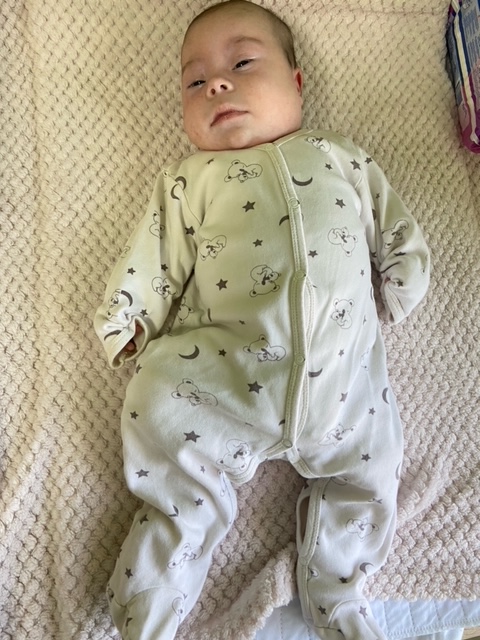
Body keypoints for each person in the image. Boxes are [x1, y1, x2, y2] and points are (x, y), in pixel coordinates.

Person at [94, 1, 430, 638]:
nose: (217, 84)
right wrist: (129, 313)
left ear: (296, 83)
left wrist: (404, 269)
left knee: (374, 470)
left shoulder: (338, 156)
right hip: (226, 375)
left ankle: (339, 595)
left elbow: (390, 219)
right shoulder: (190, 180)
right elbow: (156, 253)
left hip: (343, 387)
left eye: (242, 63)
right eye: (195, 81)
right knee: (158, 398)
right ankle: (150, 607)